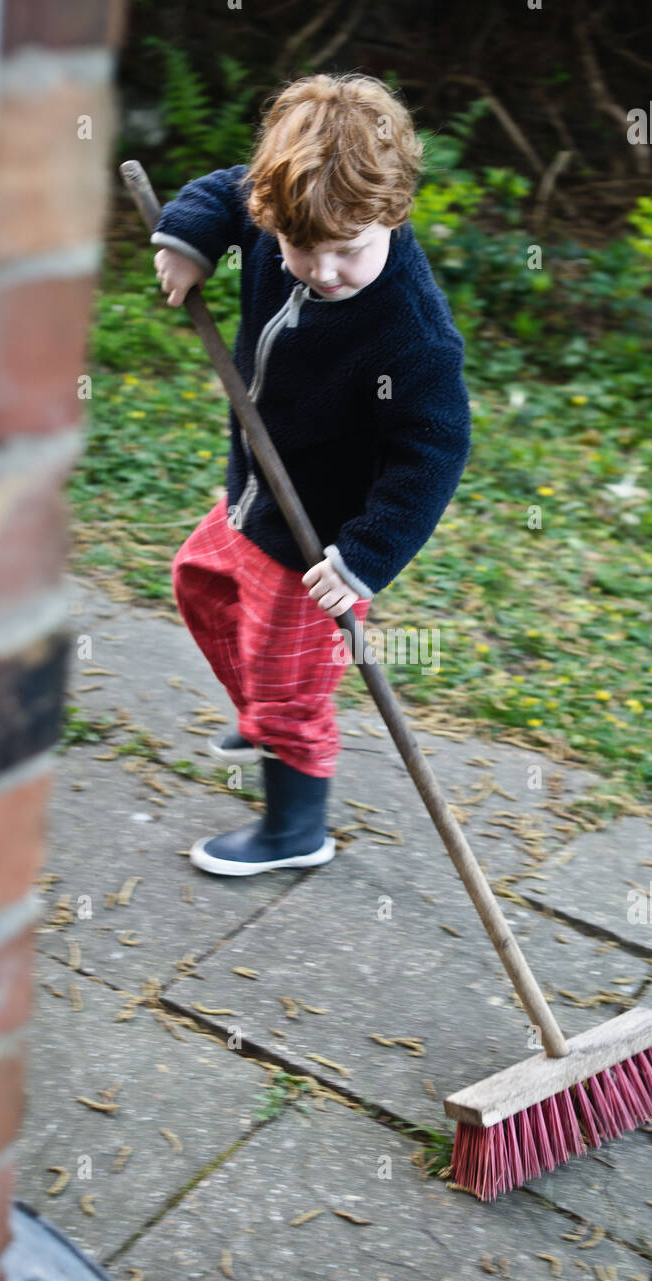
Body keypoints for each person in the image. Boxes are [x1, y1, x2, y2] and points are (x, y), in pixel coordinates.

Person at [151, 72, 472, 876]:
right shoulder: (283, 207)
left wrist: (364, 557)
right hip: (255, 495)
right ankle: (263, 714)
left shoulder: (412, 333)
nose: (322, 271)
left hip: (319, 542)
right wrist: (189, 243)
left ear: (392, 213)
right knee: (197, 583)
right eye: (301, 249)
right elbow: (225, 192)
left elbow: (432, 452)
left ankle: (294, 829)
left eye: (348, 250)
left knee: (289, 680)